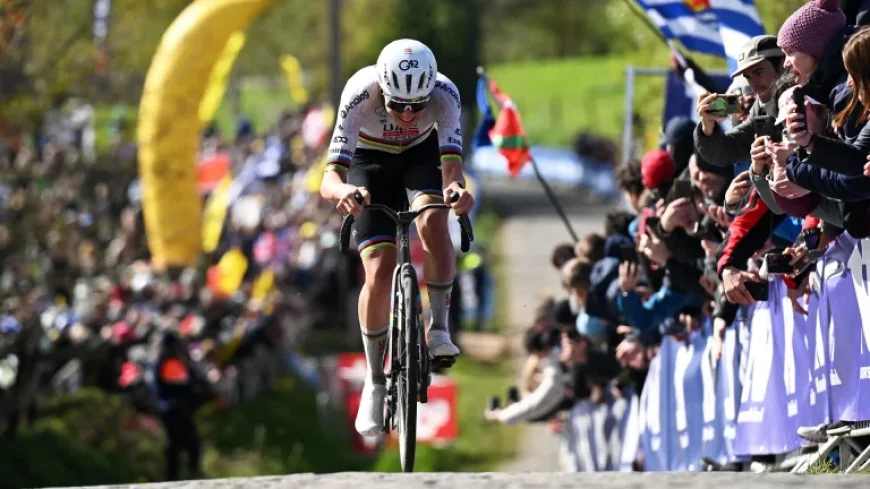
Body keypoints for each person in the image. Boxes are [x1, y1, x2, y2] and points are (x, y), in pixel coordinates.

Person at [319, 39, 475, 436]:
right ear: (382, 91)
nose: (408, 114)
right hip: (369, 164)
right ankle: (374, 381)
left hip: (421, 159)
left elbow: (452, 169)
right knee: (379, 269)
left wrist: (457, 192)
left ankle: (438, 327)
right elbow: (329, 178)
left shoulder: (445, 94)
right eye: (398, 105)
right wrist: (343, 194)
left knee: (435, 223)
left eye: (417, 106)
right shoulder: (359, 93)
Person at [694, 35, 785, 168]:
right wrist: (708, 127)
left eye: (758, 72)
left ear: (782, 65)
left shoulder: (807, 100)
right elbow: (724, 151)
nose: (753, 83)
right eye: (747, 76)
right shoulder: (760, 111)